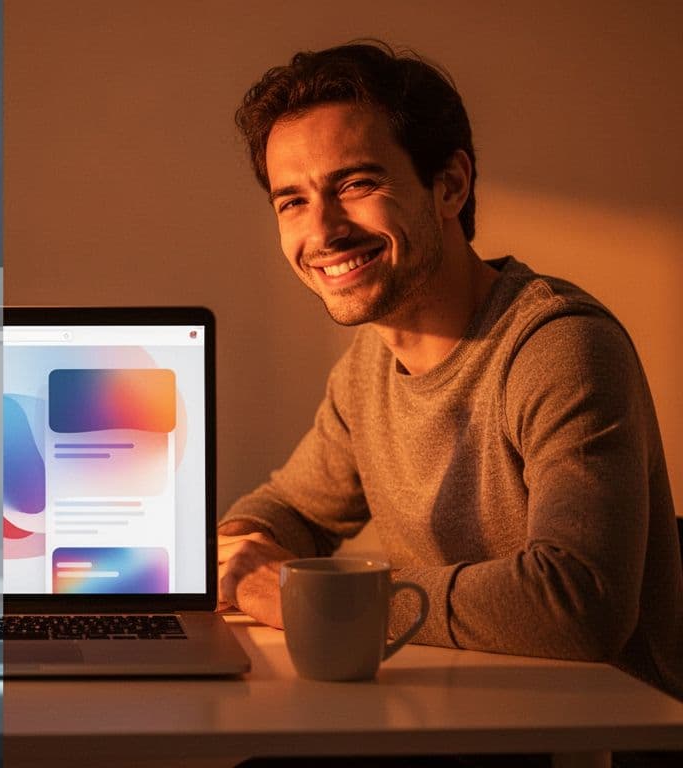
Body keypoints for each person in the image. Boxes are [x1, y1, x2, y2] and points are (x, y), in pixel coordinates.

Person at [217, 41, 681, 700]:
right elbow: (292, 507)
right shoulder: (369, 369)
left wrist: (301, 596)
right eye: (292, 201)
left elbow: (581, 604)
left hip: (601, 735)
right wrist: (232, 554)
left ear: (450, 185)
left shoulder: (560, 345)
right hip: (457, 716)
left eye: (355, 183)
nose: (321, 230)